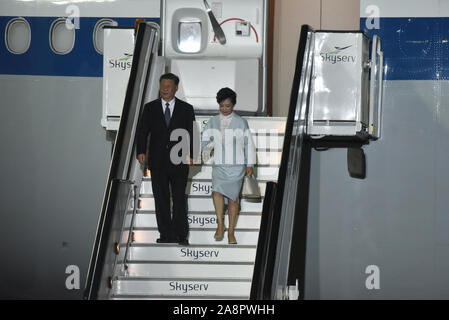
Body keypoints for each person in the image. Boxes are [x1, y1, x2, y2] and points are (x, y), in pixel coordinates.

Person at [136, 73, 195, 245]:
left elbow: (192, 133)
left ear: (176, 88)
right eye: (162, 85)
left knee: (178, 199)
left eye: (169, 86)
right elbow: (142, 131)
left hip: (179, 162)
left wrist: (191, 154)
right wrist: (141, 151)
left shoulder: (186, 108)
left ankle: (181, 235)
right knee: (161, 199)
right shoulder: (150, 108)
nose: (165, 88)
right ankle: (165, 234)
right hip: (157, 162)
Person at [201, 87, 256, 244]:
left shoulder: (241, 122)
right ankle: (220, 224)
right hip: (219, 164)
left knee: (233, 199)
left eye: (228, 106)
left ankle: (231, 231)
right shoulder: (212, 121)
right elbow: (204, 140)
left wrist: (250, 163)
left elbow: (249, 144)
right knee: (216, 192)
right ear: (218, 104)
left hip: (237, 166)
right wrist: (192, 154)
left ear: (233, 105)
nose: (225, 109)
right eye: (222, 105)